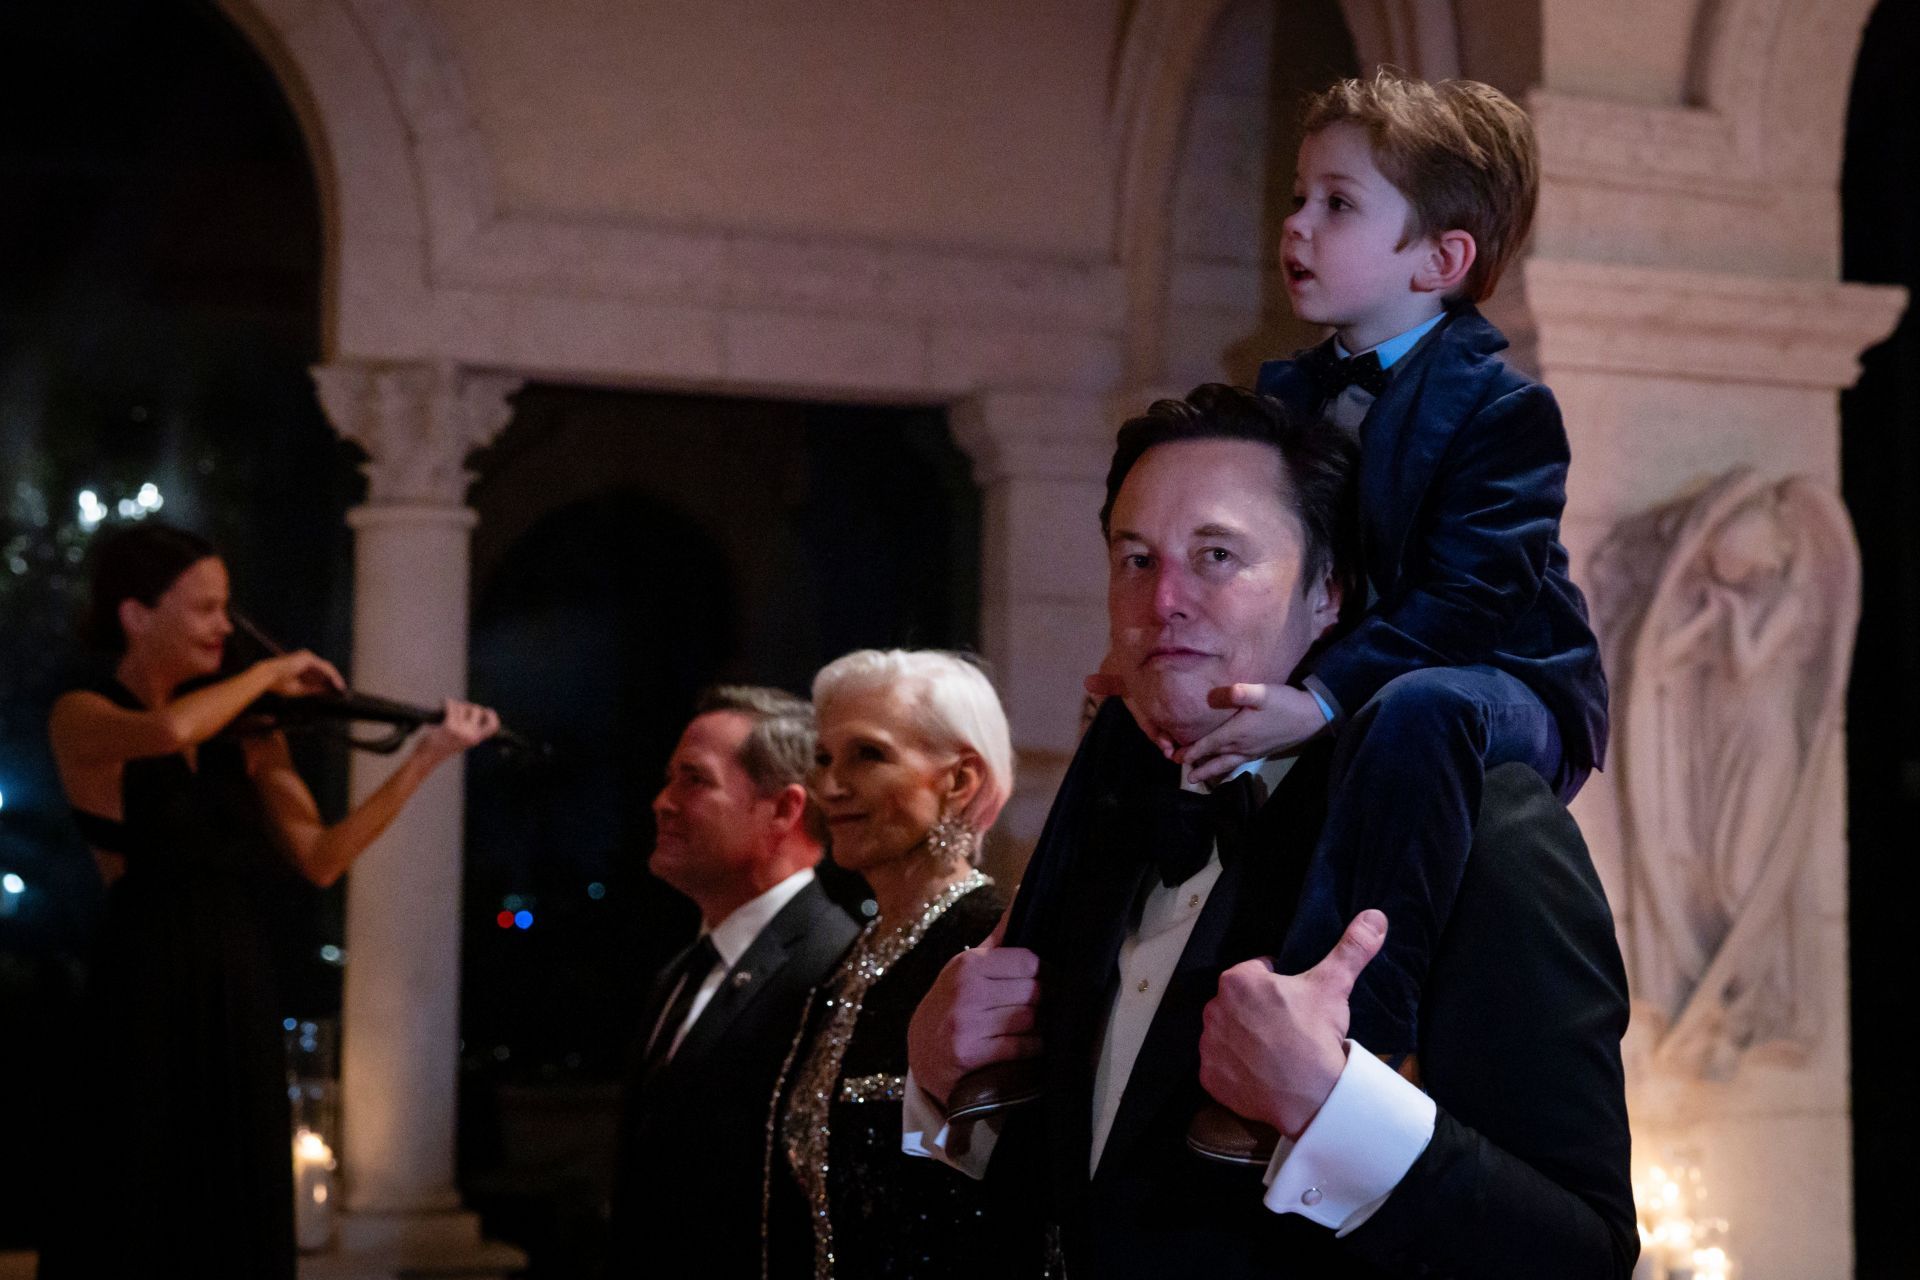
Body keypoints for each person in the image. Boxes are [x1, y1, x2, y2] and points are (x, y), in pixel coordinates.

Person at [905, 386, 1637, 1277]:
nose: (1165, 598)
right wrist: (939, 1089)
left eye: (1217, 555)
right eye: (1136, 559)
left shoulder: (1478, 826)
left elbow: (1586, 1254)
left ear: (1329, 594)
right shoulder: (1107, 823)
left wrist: (1334, 1108)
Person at [1098, 71, 1609, 1064]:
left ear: (1442, 258)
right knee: (1135, 707)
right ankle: (1075, 1016)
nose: (1297, 225)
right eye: (1298, 197)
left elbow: (1475, 596)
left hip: (1503, 679)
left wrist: (1324, 696)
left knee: (1421, 708)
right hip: (1356, 673)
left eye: (1337, 204)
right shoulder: (1287, 392)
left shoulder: (1503, 410)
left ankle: (1352, 1034)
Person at [38, 523, 499, 1280]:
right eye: (205, 608)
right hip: (145, 979)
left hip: (234, 975)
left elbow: (320, 858)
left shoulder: (248, 732)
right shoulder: (83, 713)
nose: (225, 626)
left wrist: (424, 761)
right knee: (138, 1191)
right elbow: (164, 729)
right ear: (135, 615)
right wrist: (271, 671)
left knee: (233, 1197)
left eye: (228, 608)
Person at [763, 650, 1041, 1279]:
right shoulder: (849, 961)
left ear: (959, 780)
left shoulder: (992, 947)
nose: (829, 786)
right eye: (825, 758)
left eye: (868, 754)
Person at [607, 686, 858, 1279]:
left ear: (784, 810)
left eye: (694, 780)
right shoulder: (681, 971)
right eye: (670, 779)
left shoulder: (835, 965)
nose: (662, 803)